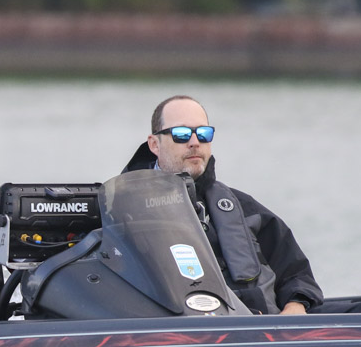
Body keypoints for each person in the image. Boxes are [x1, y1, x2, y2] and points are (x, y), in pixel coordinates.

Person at [123, 95, 323, 315]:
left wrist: (295, 307)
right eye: (181, 134)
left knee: (355, 312)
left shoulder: (243, 208)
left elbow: (295, 273)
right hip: (176, 327)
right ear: (154, 144)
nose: (194, 142)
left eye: (203, 133)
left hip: (262, 327)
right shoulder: (121, 210)